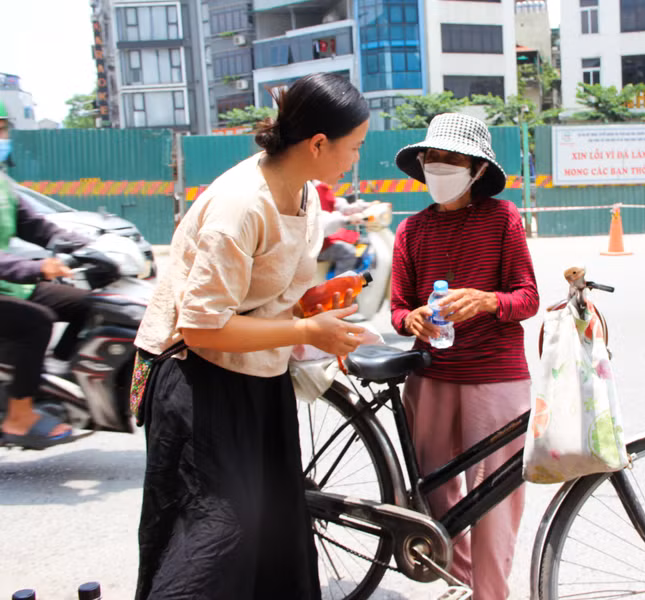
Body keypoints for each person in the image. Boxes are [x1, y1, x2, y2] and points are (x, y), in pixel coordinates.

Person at [132, 73, 369, 600]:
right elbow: (200, 327)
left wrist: (311, 303)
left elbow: (262, 294)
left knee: (275, 534)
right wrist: (305, 329)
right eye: (354, 146)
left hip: (258, 374)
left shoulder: (304, 193)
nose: (357, 158)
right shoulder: (240, 205)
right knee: (213, 541)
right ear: (318, 144)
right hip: (198, 385)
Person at [390, 113, 540, 599]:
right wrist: (412, 318)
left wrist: (486, 300)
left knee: (494, 502)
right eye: (432, 157)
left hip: (496, 378)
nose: (438, 166)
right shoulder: (410, 231)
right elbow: (398, 309)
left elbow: (528, 298)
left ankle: (491, 594)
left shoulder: (503, 219)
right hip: (431, 376)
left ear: (477, 170)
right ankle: (459, 583)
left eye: (451, 159)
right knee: (436, 496)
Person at [0, 100, 92, 449]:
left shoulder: (3, 184)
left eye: (2, 129)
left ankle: (52, 381)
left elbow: (37, 227)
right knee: (35, 322)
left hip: (10, 285)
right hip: (10, 282)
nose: (2, 137)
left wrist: (90, 243)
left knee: (90, 304)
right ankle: (19, 417)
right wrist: (36, 268)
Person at [314, 179, 365, 275]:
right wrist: (346, 220)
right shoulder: (311, 189)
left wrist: (365, 207)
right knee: (348, 252)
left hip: (324, 237)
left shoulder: (320, 187)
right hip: (315, 245)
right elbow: (319, 222)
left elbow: (339, 205)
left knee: (363, 241)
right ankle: (340, 283)